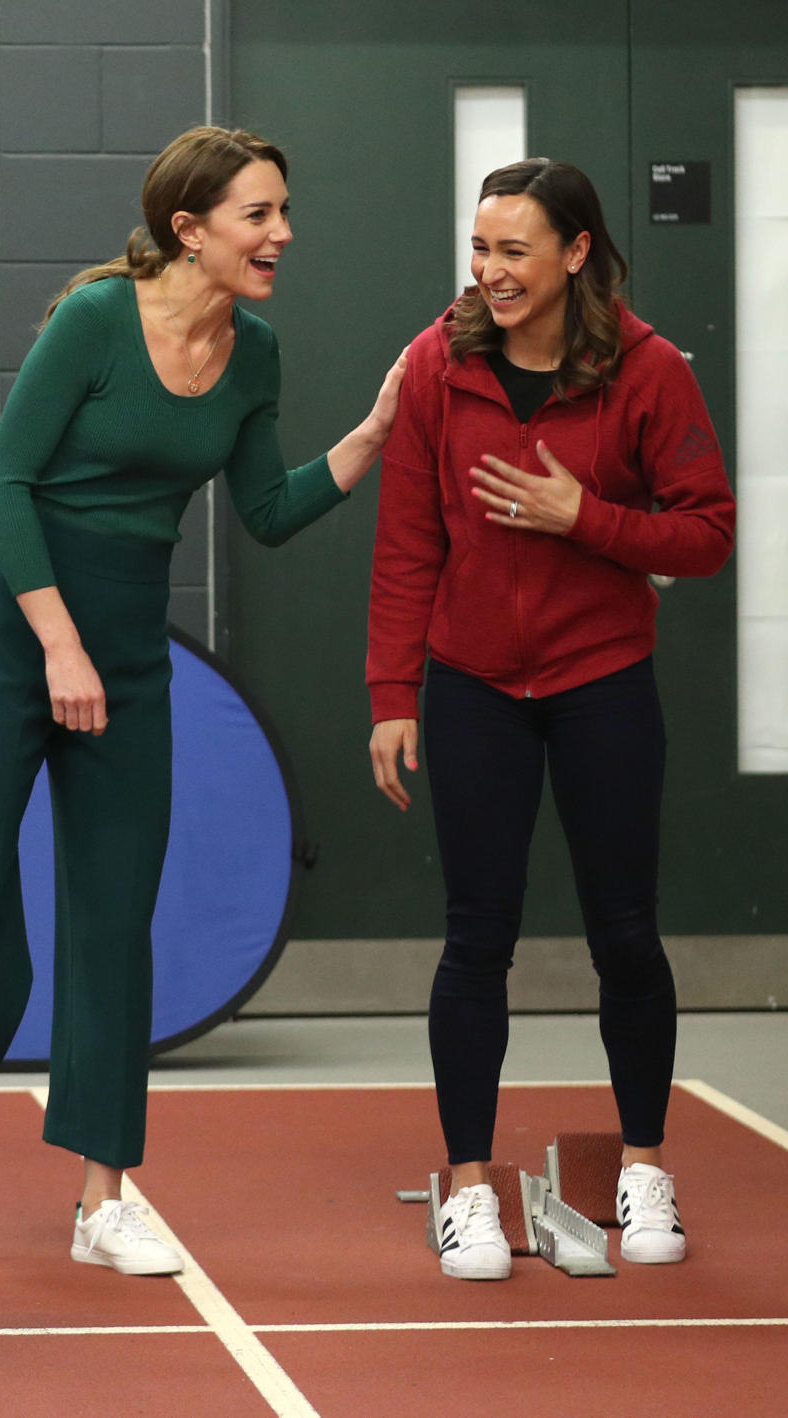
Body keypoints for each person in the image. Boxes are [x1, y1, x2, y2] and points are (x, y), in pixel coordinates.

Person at [0, 125, 406, 1274]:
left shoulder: (256, 351)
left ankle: (102, 1196)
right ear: (191, 229)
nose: (283, 233)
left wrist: (371, 436)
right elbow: (5, 482)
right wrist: (59, 645)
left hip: (128, 655)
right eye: (259, 215)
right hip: (19, 641)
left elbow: (266, 508)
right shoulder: (94, 323)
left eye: (284, 211)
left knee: (114, 927)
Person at [367, 158, 734, 1281]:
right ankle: (468, 1187)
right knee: (477, 937)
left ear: (577, 252)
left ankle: (644, 1164)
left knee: (627, 933)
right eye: (481, 249)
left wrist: (589, 517)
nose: (491, 272)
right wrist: (392, 695)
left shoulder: (650, 368)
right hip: (474, 686)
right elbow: (408, 542)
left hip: (602, 683)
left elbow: (708, 532)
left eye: (514, 250)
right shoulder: (440, 362)